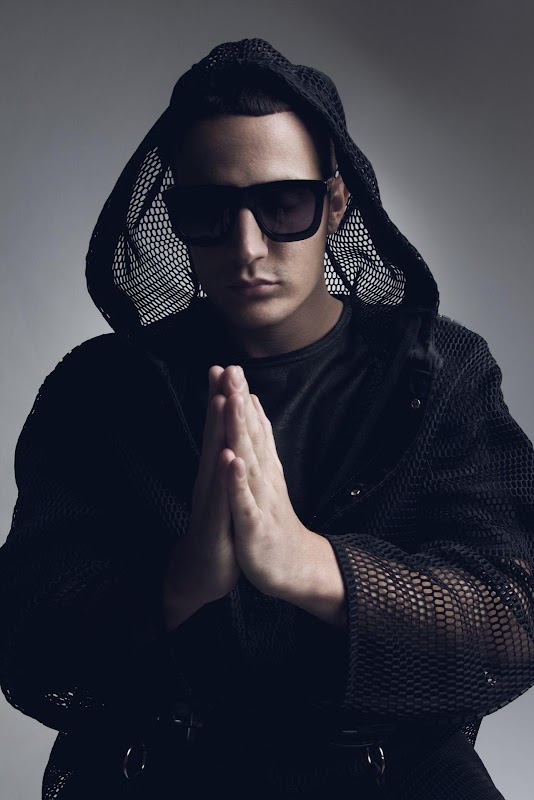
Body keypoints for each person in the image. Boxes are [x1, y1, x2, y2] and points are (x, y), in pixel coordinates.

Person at [1, 37, 533, 800]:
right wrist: (178, 583)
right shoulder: (98, 391)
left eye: (284, 205)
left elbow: (516, 620)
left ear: (336, 202)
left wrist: (315, 568)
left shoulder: (439, 375)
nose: (246, 247)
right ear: (175, 217)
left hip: (397, 779)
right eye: (209, 211)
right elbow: (25, 649)